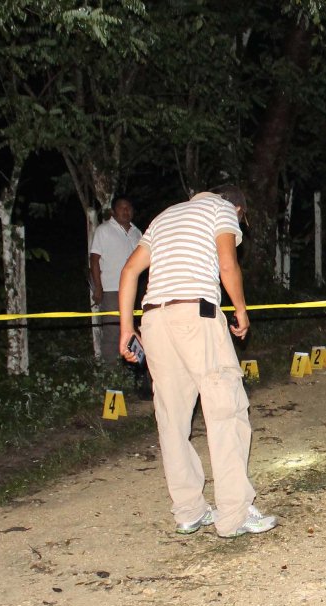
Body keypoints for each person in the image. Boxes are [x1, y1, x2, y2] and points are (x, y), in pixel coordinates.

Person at [117, 185, 277, 538]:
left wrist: (127, 329)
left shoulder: (164, 216)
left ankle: (189, 511)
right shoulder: (221, 211)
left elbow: (130, 271)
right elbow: (226, 263)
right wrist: (240, 309)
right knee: (226, 410)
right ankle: (234, 514)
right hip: (197, 316)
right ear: (237, 209)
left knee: (171, 418)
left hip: (155, 321)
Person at [89, 196, 142, 362]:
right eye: (122, 207)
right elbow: (94, 260)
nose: (126, 211)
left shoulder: (137, 232)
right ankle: (110, 373)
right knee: (113, 330)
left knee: (135, 329)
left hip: (134, 290)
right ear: (113, 211)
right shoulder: (103, 230)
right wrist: (98, 288)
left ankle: (132, 368)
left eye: (129, 208)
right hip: (111, 289)